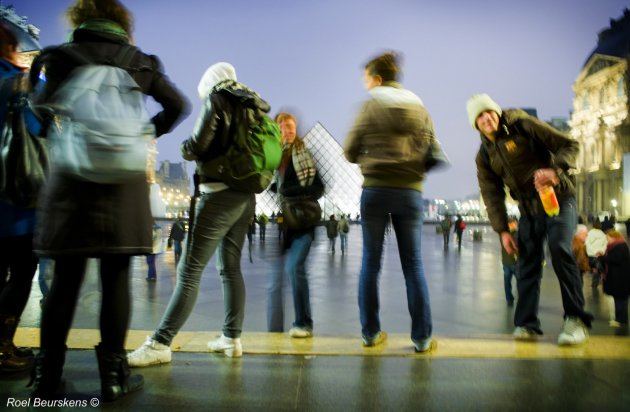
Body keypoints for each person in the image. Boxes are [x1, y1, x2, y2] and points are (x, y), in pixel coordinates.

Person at [27, 0, 190, 400]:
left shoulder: (60, 58)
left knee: (65, 281)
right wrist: (145, 132)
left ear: (80, 20)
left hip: (72, 179)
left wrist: (57, 132)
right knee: (116, 279)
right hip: (124, 179)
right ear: (122, 23)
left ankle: (47, 379)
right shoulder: (142, 62)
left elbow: (35, 111)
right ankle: (114, 378)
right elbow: (179, 106)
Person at [128, 62, 264, 365]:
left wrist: (184, 148)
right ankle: (231, 338)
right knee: (230, 269)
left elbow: (198, 146)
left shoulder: (217, 100)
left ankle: (161, 342)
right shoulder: (252, 105)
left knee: (189, 272)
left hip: (217, 195)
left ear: (210, 82)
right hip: (246, 197)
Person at [466, 93, 593, 346]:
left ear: (497, 112)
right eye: (479, 116)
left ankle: (576, 320)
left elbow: (570, 145)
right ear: (475, 124)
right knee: (527, 262)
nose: (486, 118)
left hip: (559, 198)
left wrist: (555, 171)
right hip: (528, 209)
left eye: (488, 111)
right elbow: (491, 195)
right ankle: (526, 324)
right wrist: (502, 231)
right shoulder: (484, 155)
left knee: (560, 248)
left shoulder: (523, 125)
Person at [344, 51, 436, 352]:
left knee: (370, 263)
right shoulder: (419, 105)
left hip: (375, 190)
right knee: (414, 266)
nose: (365, 85)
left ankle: (370, 333)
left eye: (366, 79)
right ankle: (422, 337)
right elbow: (431, 147)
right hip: (410, 192)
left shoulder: (370, 106)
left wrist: (370, 160)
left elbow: (348, 150)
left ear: (378, 79)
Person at [0, 22, 42, 374]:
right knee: (22, 271)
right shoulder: (20, 82)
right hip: (15, 203)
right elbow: (38, 131)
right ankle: (2, 348)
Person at [269, 111, 324, 338]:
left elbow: (318, 188)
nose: (287, 131)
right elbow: (272, 185)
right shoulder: (274, 157)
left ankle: (304, 322)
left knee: (294, 268)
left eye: (290, 126)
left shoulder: (304, 154)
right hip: (285, 225)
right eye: (281, 127)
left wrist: (288, 191)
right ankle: (275, 329)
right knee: (275, 281)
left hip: (303, 222)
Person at [596, 230, 630, 327]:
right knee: (619, 299)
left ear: (614, 237)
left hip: (621, 279)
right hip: (619, 279)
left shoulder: (620, 246)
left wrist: (602, 258)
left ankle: (621, 320)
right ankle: (619, 319)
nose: (607, 240)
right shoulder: (618, 246)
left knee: (620, 300)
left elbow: (615, 259)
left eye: (608, 238)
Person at [501, 217, 518, 306]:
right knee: (520, 281)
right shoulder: (516, 234)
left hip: (506, 262)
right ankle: (522, 299)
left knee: (507, 282)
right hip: (515, 262)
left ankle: (509, 299)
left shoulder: (503, 234)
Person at [585, 221, 607, 288]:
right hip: (599, 255)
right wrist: (600, 252)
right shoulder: (603, 235)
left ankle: (595, 283)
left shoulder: (590, 233)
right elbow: (605, 245)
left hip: (591, 255)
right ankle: (600, 281)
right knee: (598, 268)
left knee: (595, 269)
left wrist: (592, 252)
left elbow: (587, 243)